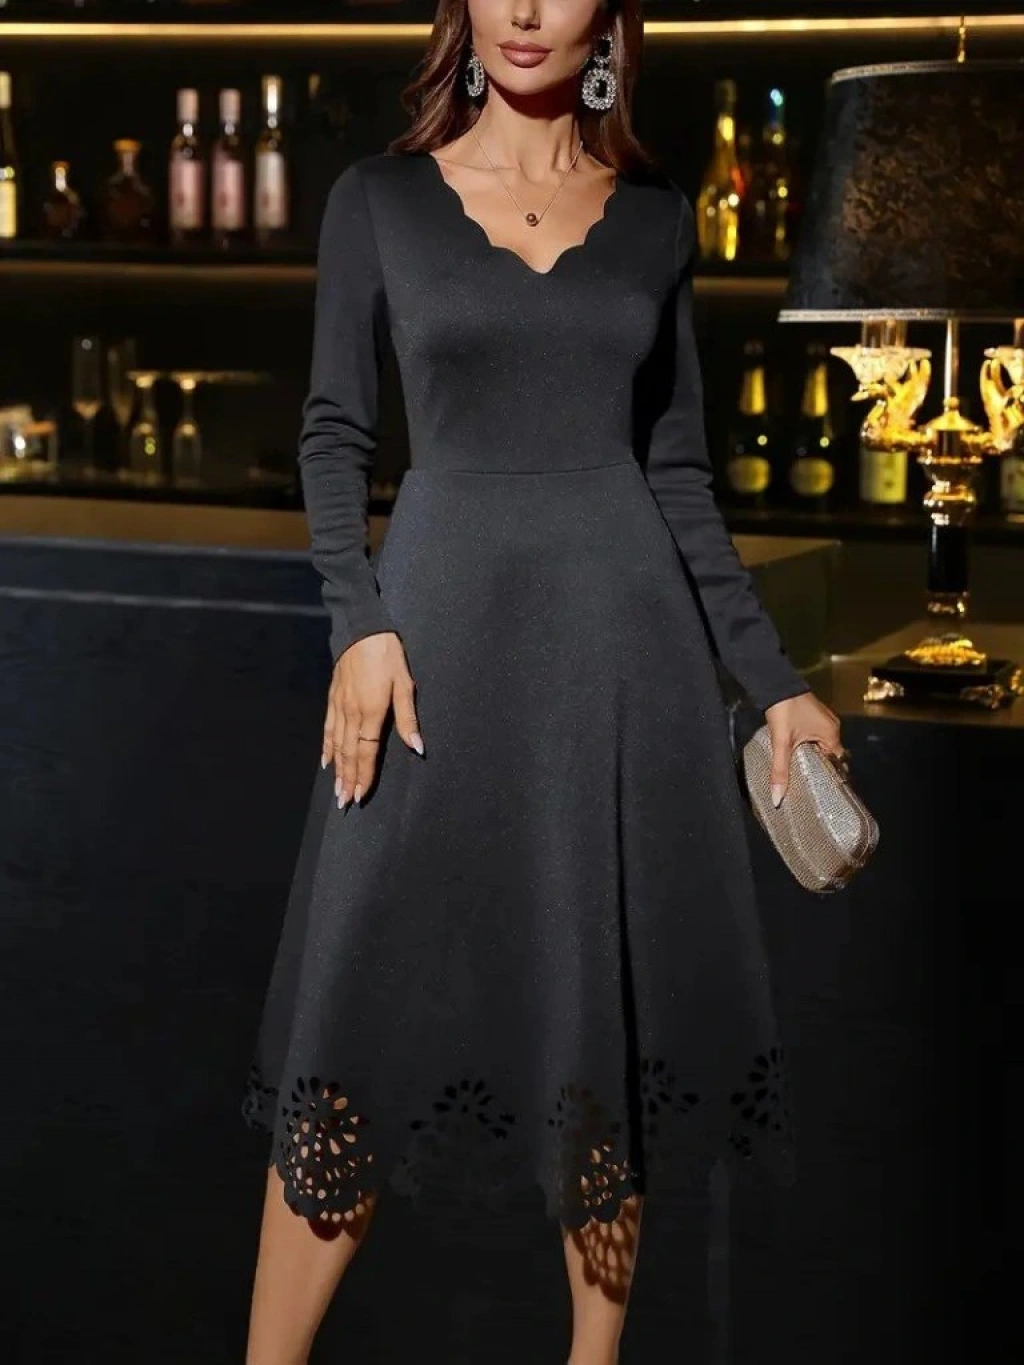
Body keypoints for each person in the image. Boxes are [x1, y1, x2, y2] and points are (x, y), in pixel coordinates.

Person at [241, 0, 843, 1360]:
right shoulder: (379, 200)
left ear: (611, 22)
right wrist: (359, 624)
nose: (524, 12)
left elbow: (678, 476)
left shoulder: (657, 219)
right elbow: (333, 436)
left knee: (597, 1015)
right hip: (429, 655)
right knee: (352, 1032)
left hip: (621, 666)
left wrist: (773, 680)